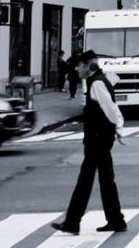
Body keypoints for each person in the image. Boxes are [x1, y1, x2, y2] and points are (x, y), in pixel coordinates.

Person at [53, 51, 128, 234]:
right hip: (101, 138)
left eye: (79, 66)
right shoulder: (97, 80)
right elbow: (111, 107)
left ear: (87, 66)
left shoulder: (97, 83)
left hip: (97, 139)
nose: (77, 69)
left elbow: (110, 108)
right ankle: (116, 220)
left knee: (85, 180)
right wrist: (117, 130)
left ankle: (72, 222)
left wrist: (118, 128)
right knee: (106, 179)